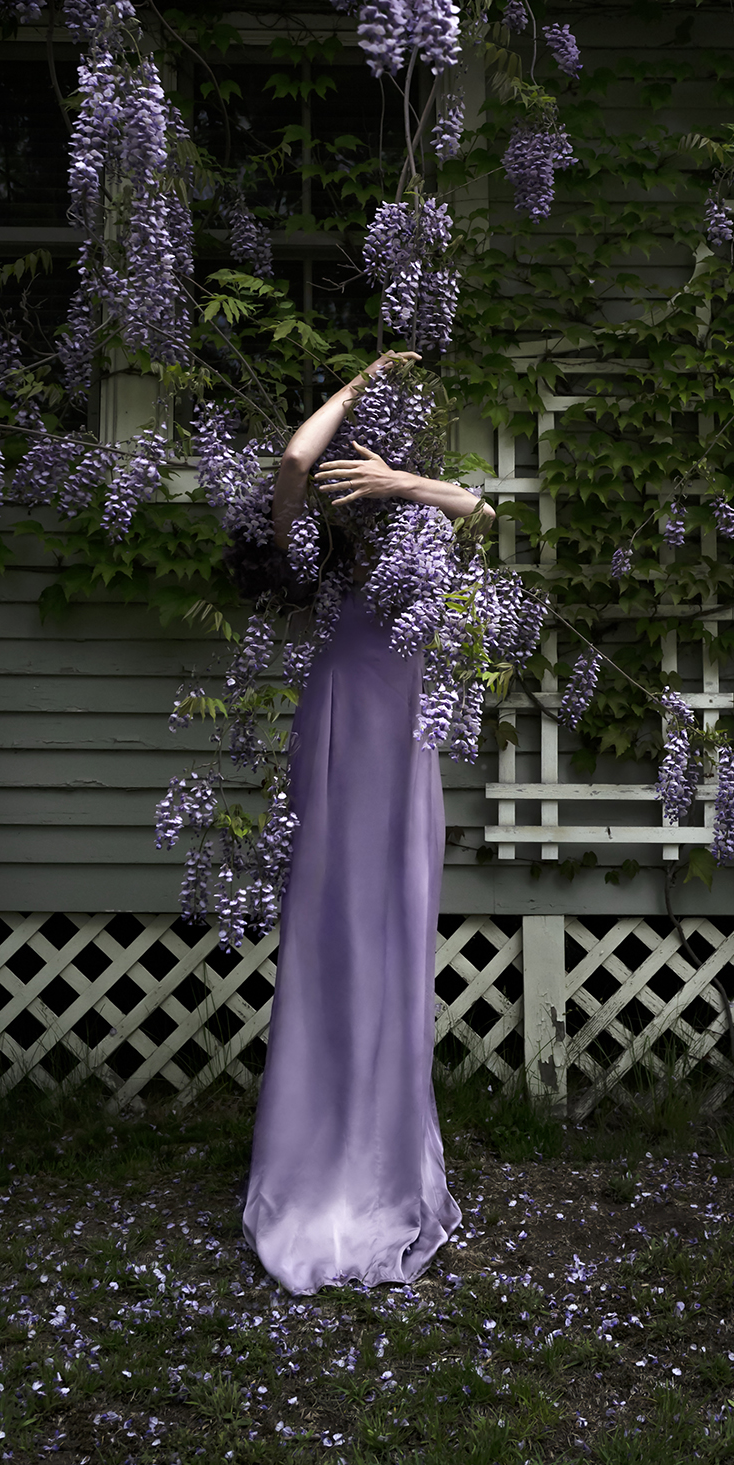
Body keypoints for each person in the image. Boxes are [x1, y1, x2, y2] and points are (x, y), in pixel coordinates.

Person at [241, 352, 496, 1295]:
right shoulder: (318, 551)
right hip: (346, 724)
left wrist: (406, 480)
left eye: (378, 467)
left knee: (394, 924)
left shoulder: (421, 533)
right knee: (333, 925)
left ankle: (386, 1155)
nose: (366, 476)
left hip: (407, 739)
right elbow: (292, 464)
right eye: (365, 467)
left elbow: (489, 514)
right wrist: (359, 381)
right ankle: (316, 1162)